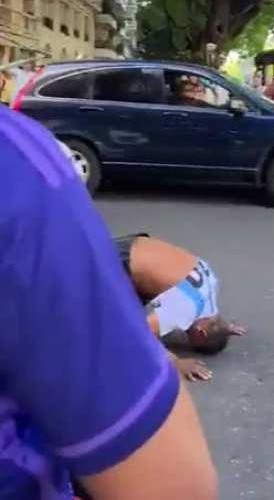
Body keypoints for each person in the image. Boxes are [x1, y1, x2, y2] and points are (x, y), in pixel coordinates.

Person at [0, 106, 217, 499]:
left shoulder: (205, 296)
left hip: (140, 256)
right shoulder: (15, 162)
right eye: (198, 339)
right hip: (126, 259)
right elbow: (134, 332)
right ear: (200, 328)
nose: (194, 340)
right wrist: (169, 363)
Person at [115, 234, 246, 382]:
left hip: (138, 243)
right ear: (200, 333)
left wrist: (224, 329)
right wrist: (174, 362)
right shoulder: (185, 309)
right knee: (117, 338)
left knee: (142, 301)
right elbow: (139, 334)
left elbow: (215, 322)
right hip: (119, 260)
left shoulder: (212, 283)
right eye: (190, 337)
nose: (185, 331)